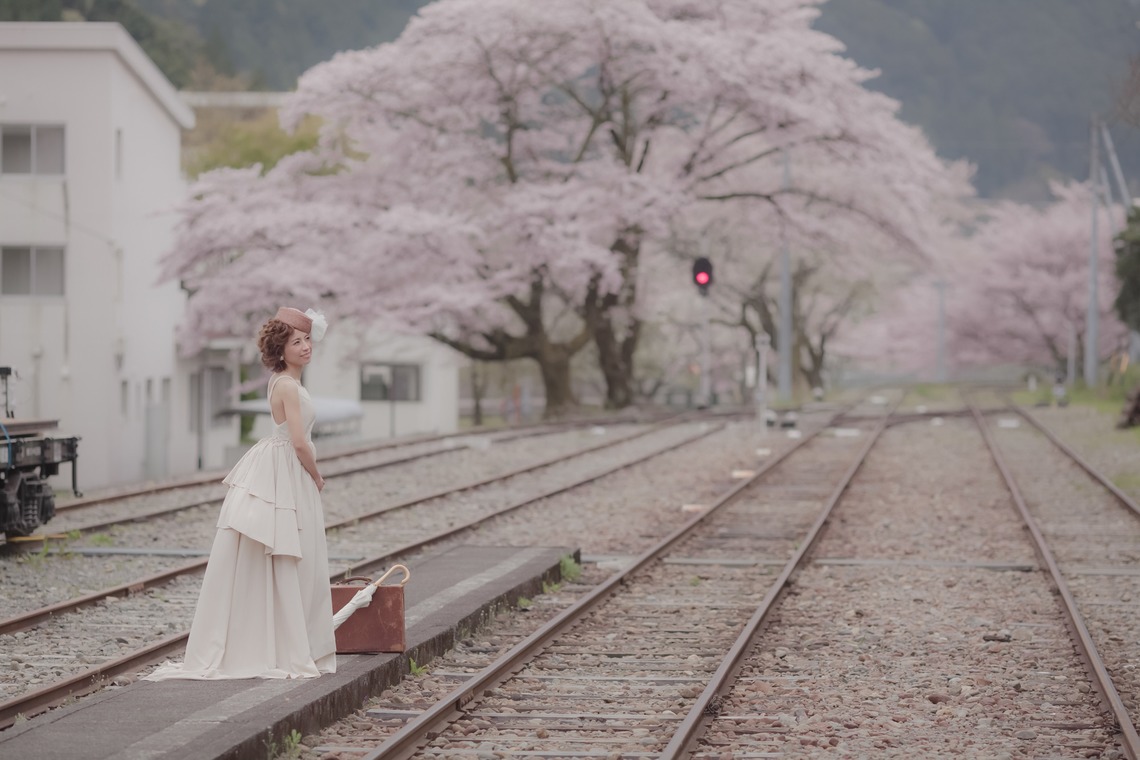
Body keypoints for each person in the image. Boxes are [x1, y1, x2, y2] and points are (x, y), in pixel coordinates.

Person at [146, 307, 336, 680]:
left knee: (282, 553)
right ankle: (290, 646)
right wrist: (317, 476)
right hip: (288, 470)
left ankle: (282, 642)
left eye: (307, 340)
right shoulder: (287, 385)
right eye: (297, 342)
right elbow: (299, 442)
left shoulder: (283, 382)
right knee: (291, 553)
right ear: (281, 351)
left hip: (277, 465)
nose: (306, 347)